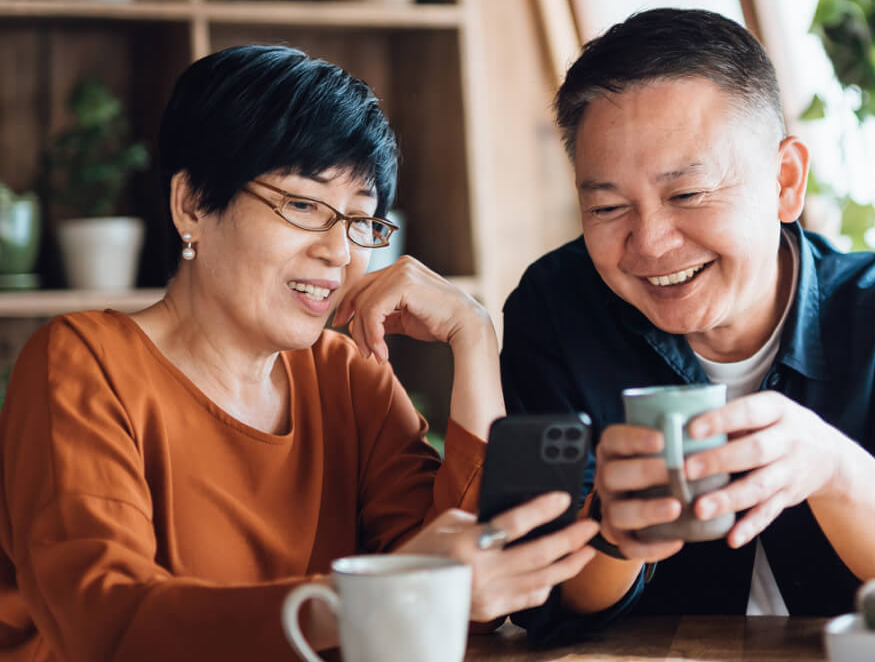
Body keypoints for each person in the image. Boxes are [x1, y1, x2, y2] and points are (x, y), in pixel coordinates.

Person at [0, 45, 598, 662]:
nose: (340, 252)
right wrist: (377, 596)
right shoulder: (83, 364)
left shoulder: (349, 379)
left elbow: (470, 606)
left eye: (362, 220)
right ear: (193, 205)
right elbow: (106, 622)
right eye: (304, 205)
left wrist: (474, 337)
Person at [501, 8, 875, 641]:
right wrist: (614, 537)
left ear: (785, 181)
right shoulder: (554, 315)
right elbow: (535, 595)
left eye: (687, 195)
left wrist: (830, 467)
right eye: (607, 206)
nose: (650, 243)